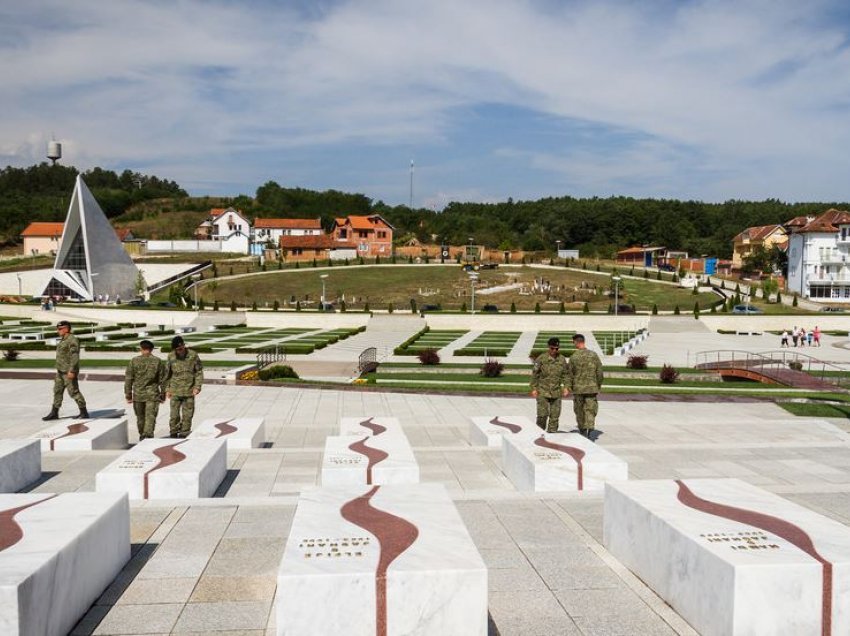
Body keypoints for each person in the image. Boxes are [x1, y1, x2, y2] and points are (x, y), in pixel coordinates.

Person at [42, 320, 88, 420]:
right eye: (57, 329)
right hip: (60, 371)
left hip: (68, 371)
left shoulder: (72, 340)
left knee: (73, 392)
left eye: (60, 329)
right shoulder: (63, 339)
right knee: (57, 391)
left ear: (66, 329)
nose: (58, 331)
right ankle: (54, 412)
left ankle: (83, 412)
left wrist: (72, 370)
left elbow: (74, 356)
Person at [124, 340, 167, 440]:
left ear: (141, 348)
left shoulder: (134, 361)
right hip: (152, 394)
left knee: (140, 417)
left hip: (138, 394)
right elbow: (163, 379)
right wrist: (163, 393)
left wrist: (128, 394)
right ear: (151, 349)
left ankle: (142, 434)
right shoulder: (157, 361)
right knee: (150, 416)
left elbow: (128, 379)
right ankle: (147, 434)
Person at [566, 333, 604, 440]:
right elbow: (599, 373)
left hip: (578, 389)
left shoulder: (574, 357)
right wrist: (598, 385)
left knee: (579, 410)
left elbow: (570, 374)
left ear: (576, 342)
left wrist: (569, 387)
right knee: (590, 409)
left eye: (573, 342)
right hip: (592, 388)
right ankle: (590, 427)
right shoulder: (593, 355)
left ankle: (583, 429)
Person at [165, 335, 204, 438]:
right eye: (177, 350)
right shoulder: (171, 356)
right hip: (175, 391)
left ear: (183, 345)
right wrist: (167, 389)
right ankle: (173, 433)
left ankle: (184, 434)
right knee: (174, 416)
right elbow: (167, 374)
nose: (179, 351)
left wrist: (197, 387)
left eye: (181, 349)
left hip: (189, 391)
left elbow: (199, 372)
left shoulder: (193, 355)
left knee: (188, 416)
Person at [530, 336, 569, 433]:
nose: (554, 350)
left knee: (555, 416)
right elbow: (535, 374)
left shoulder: (562, 359)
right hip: (543, 390)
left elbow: (566, 374)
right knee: (542, 415)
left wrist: (566, 387)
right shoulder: (541, 358)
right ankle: (539, 433)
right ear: (548, 347)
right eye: (552, 348)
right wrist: (534, 388)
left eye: (556, 349)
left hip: (556, 391)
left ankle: (552, 434)